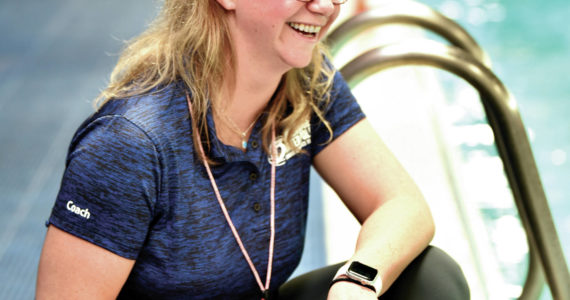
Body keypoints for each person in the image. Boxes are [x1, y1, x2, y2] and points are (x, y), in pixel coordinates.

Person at [36, 0, 469, 299]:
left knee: (428, 281)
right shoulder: (130, 144)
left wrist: (358, 279)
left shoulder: (306, 85)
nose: (325, 6)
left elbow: (402, 204)